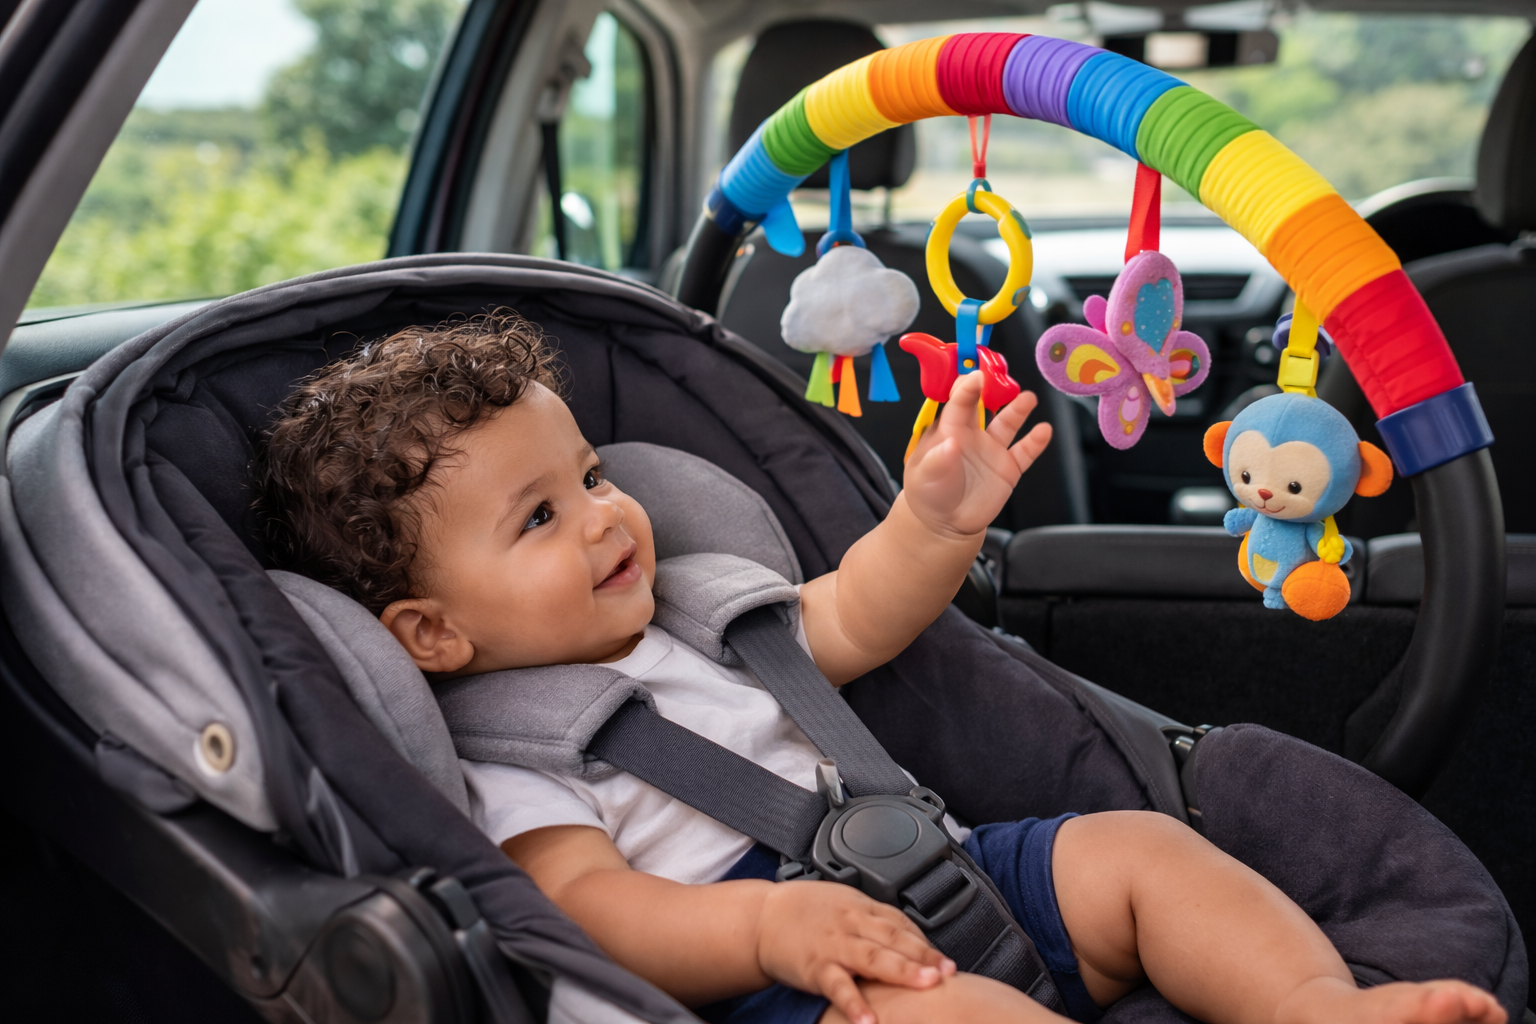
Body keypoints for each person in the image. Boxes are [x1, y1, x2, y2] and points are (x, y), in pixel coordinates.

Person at [260, 315, 1506, 1024]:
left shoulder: (701, 613)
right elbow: (597, 915)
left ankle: (1311, 1010)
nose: (602, 518)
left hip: (956, 866)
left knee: (1142, 852)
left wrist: (934, 525)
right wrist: (768, 925)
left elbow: (859, 614)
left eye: (591, 476)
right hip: (794, 982)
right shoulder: (511, 759)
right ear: (430, 632)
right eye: (539, 519)